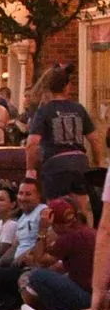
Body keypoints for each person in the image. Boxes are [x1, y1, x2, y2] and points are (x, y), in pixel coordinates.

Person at [19, 197, 99, 310]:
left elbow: (40, 260)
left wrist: (42, 230)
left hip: (88, 299)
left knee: (37, 276)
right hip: (97, 297)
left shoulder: (70, 237)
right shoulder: (88, 232)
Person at [27, 64, 100, 209]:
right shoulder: (79, 109)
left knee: (56, 212)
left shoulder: (44, 111)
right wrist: (96, 164)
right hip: (80, 164)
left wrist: (30, 169)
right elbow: (95, 139)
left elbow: (32, 143)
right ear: (67, 87)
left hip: (55, 166)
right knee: (81, 213)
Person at [0, 175, 45, 310]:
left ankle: (20, 309)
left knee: (0, 276)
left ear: (39, 196)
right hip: (16, 262)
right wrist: (1, 261)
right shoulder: (23, 217)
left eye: (28, 194)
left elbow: (46, 239)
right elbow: (16, 244)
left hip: (31, 262)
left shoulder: (43, 212)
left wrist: (24, 256)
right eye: (21, 193)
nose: (23, 197)